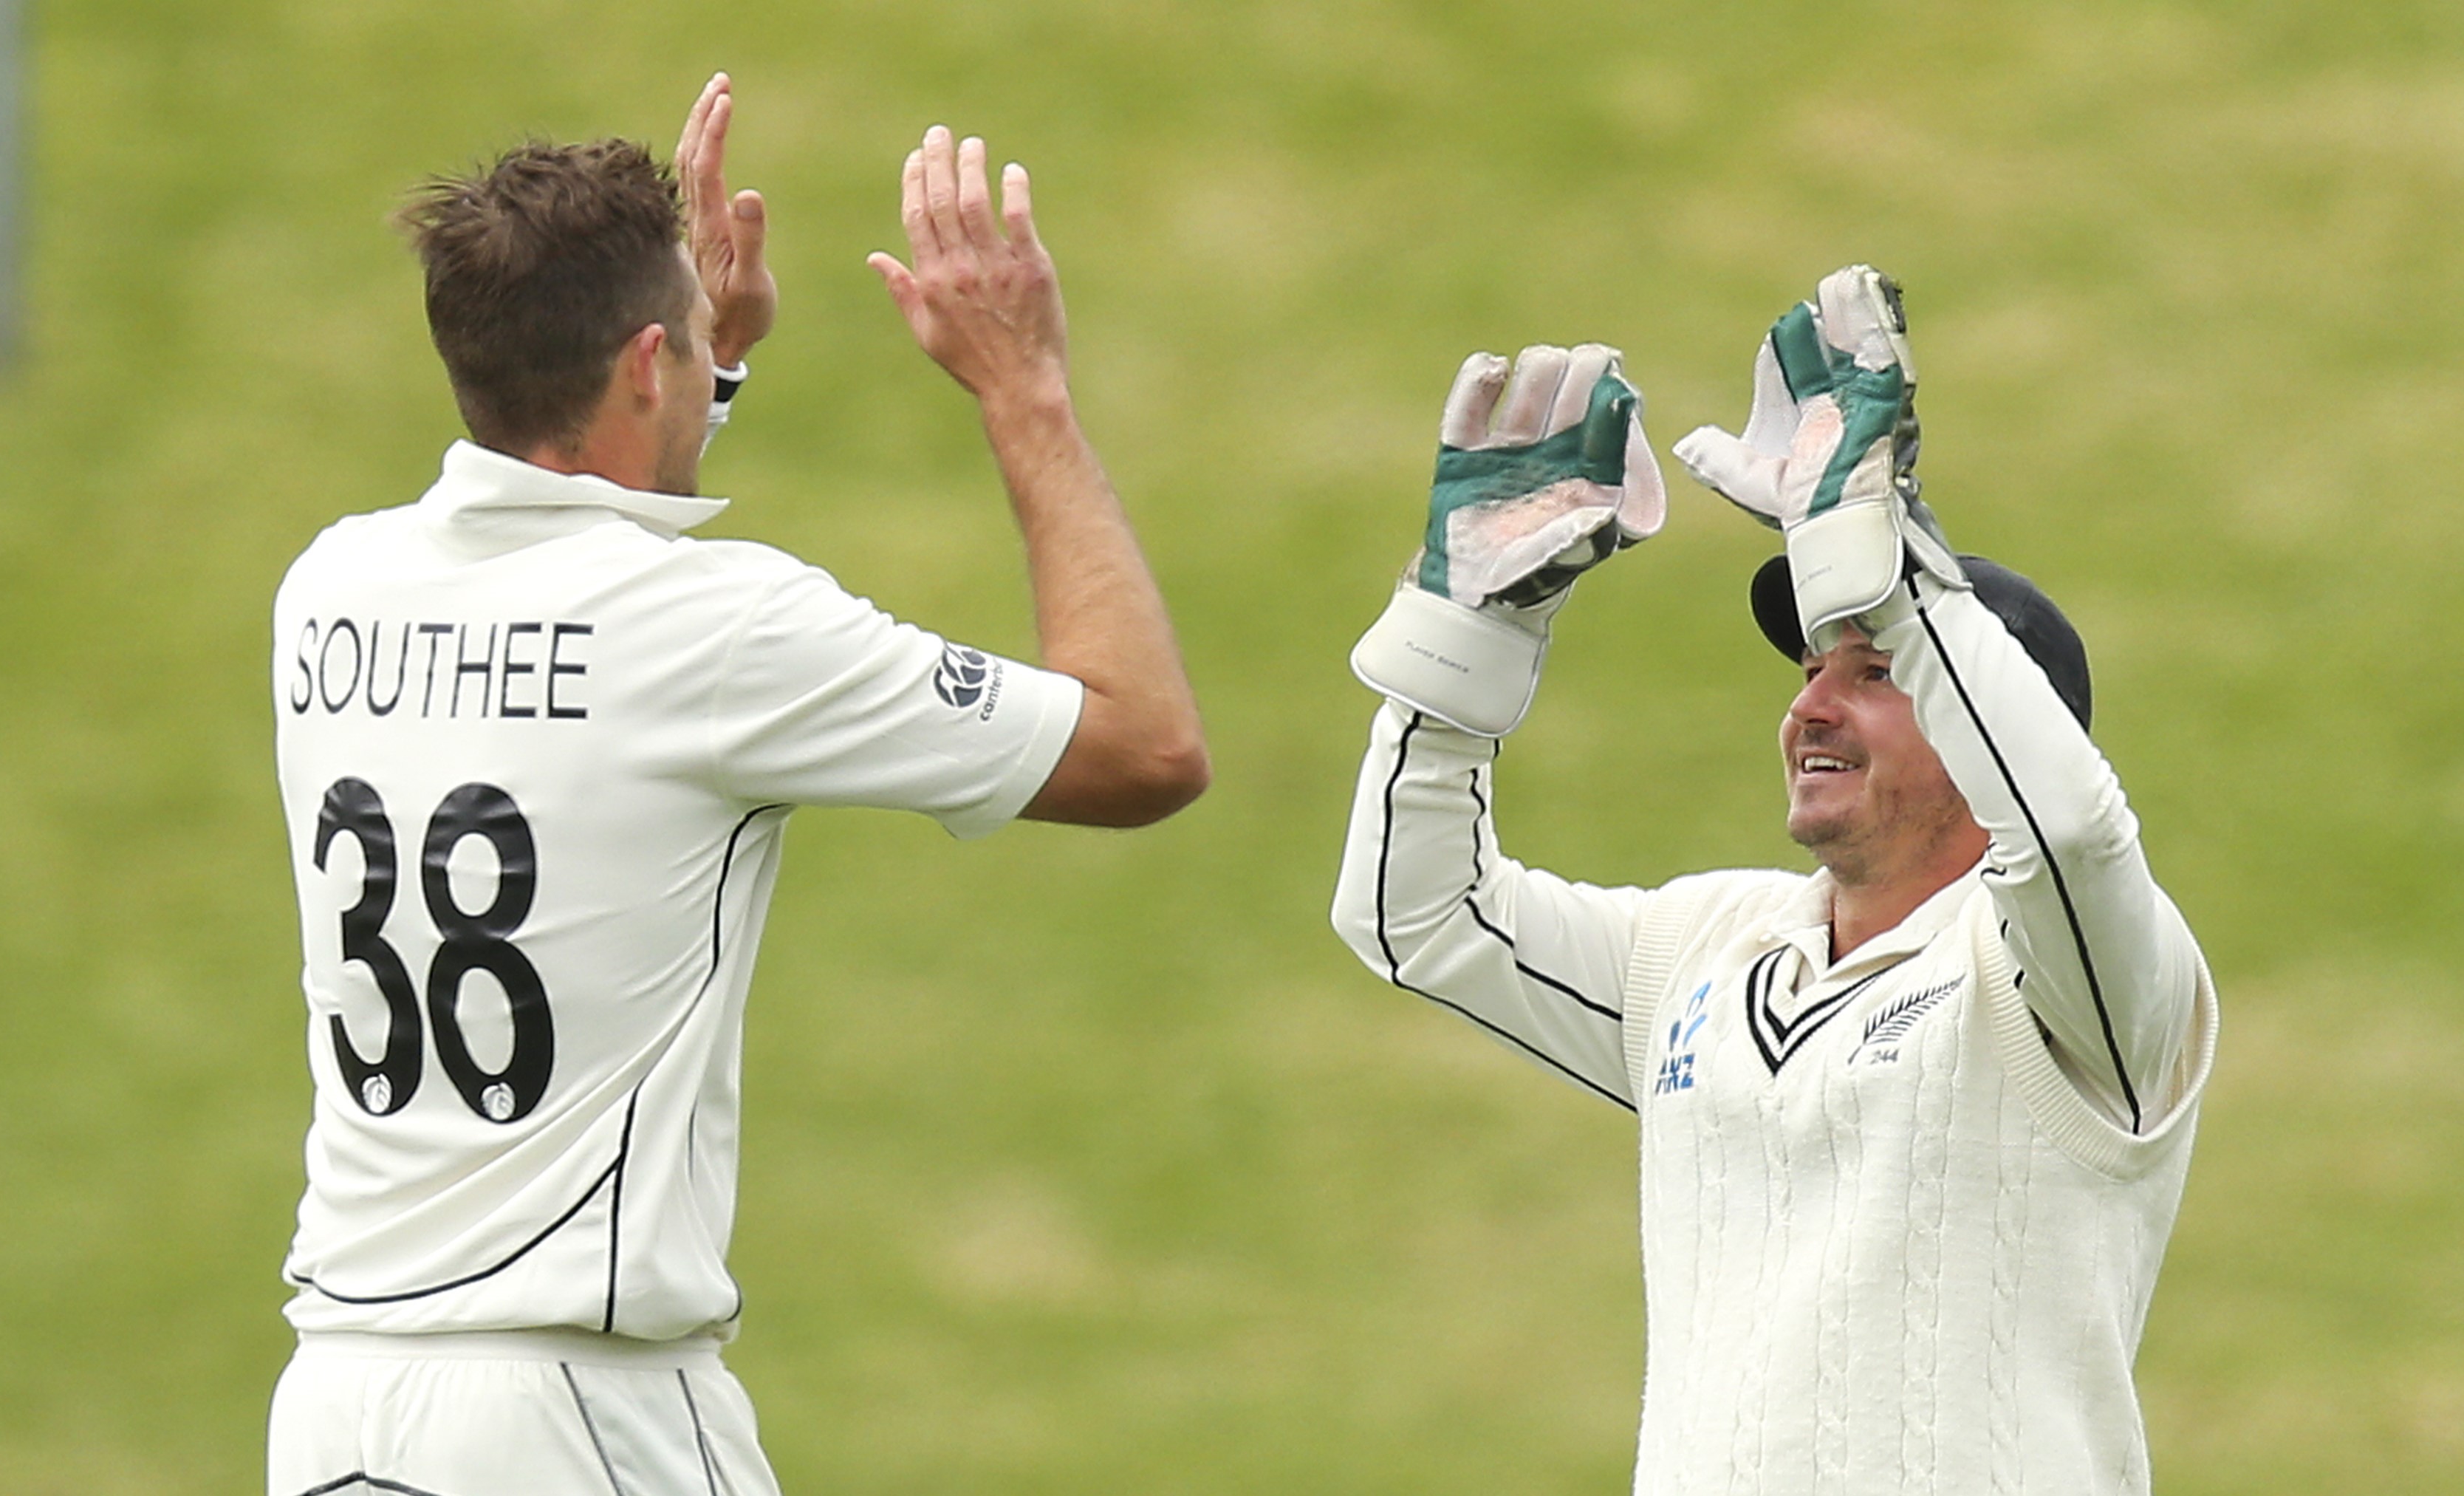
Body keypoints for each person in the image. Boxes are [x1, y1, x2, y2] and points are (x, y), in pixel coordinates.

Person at [265, 73, 1207, 1496]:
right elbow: (1146, 746)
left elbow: (583, 602)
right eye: (696, 354)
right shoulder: (725, 629)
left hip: (338, 1408)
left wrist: (706, 360)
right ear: (647, 366)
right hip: (581, 1413)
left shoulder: (328, 589)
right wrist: (1026, 390)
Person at [1330, 267, 2216, 1494]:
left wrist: (1890, 568)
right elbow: (1414, 913)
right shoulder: (1703, 949)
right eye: (1810, 667)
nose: (1809, 705)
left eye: (1872, 672)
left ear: (1991, 719)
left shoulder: (2098, 980)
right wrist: (1465, 634)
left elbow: (2071, 834)